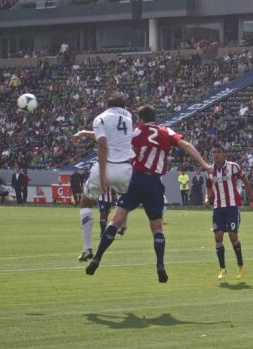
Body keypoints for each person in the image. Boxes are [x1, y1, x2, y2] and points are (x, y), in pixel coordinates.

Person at [86, 105, 211, 282]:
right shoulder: (165, 131)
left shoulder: (138, 130)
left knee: (116, 220)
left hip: (135, 179)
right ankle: (160, 264)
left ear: (141, 119)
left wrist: (85, 133)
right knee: (157, 228)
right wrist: (204, 164)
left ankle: (98, 257)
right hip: (154, 183)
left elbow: (109, 140)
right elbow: (185, 144)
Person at [72, 94, 134, 262]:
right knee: (125, 197)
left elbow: (102, 143)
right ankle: (124, 223)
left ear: (108, 105)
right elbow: (112, 137)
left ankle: (87, 248)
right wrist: (85, 133)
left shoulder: (101, 118)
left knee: (85, 202)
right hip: (125, 168)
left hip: (106, 166)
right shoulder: (129, 118)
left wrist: (103, 173)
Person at [205, 144, 253, 281]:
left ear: (224, 154)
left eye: (218, 152)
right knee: (218, 237)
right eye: (214, 152)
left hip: (232, 207)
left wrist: (251, 194)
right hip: (218, 208)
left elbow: (245, 179)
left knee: (233, 236)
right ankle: (222, 268)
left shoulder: (233, 166)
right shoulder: (209, 170)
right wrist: (207, 199)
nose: (216, 154)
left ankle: (240, 265)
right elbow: (208, 187)